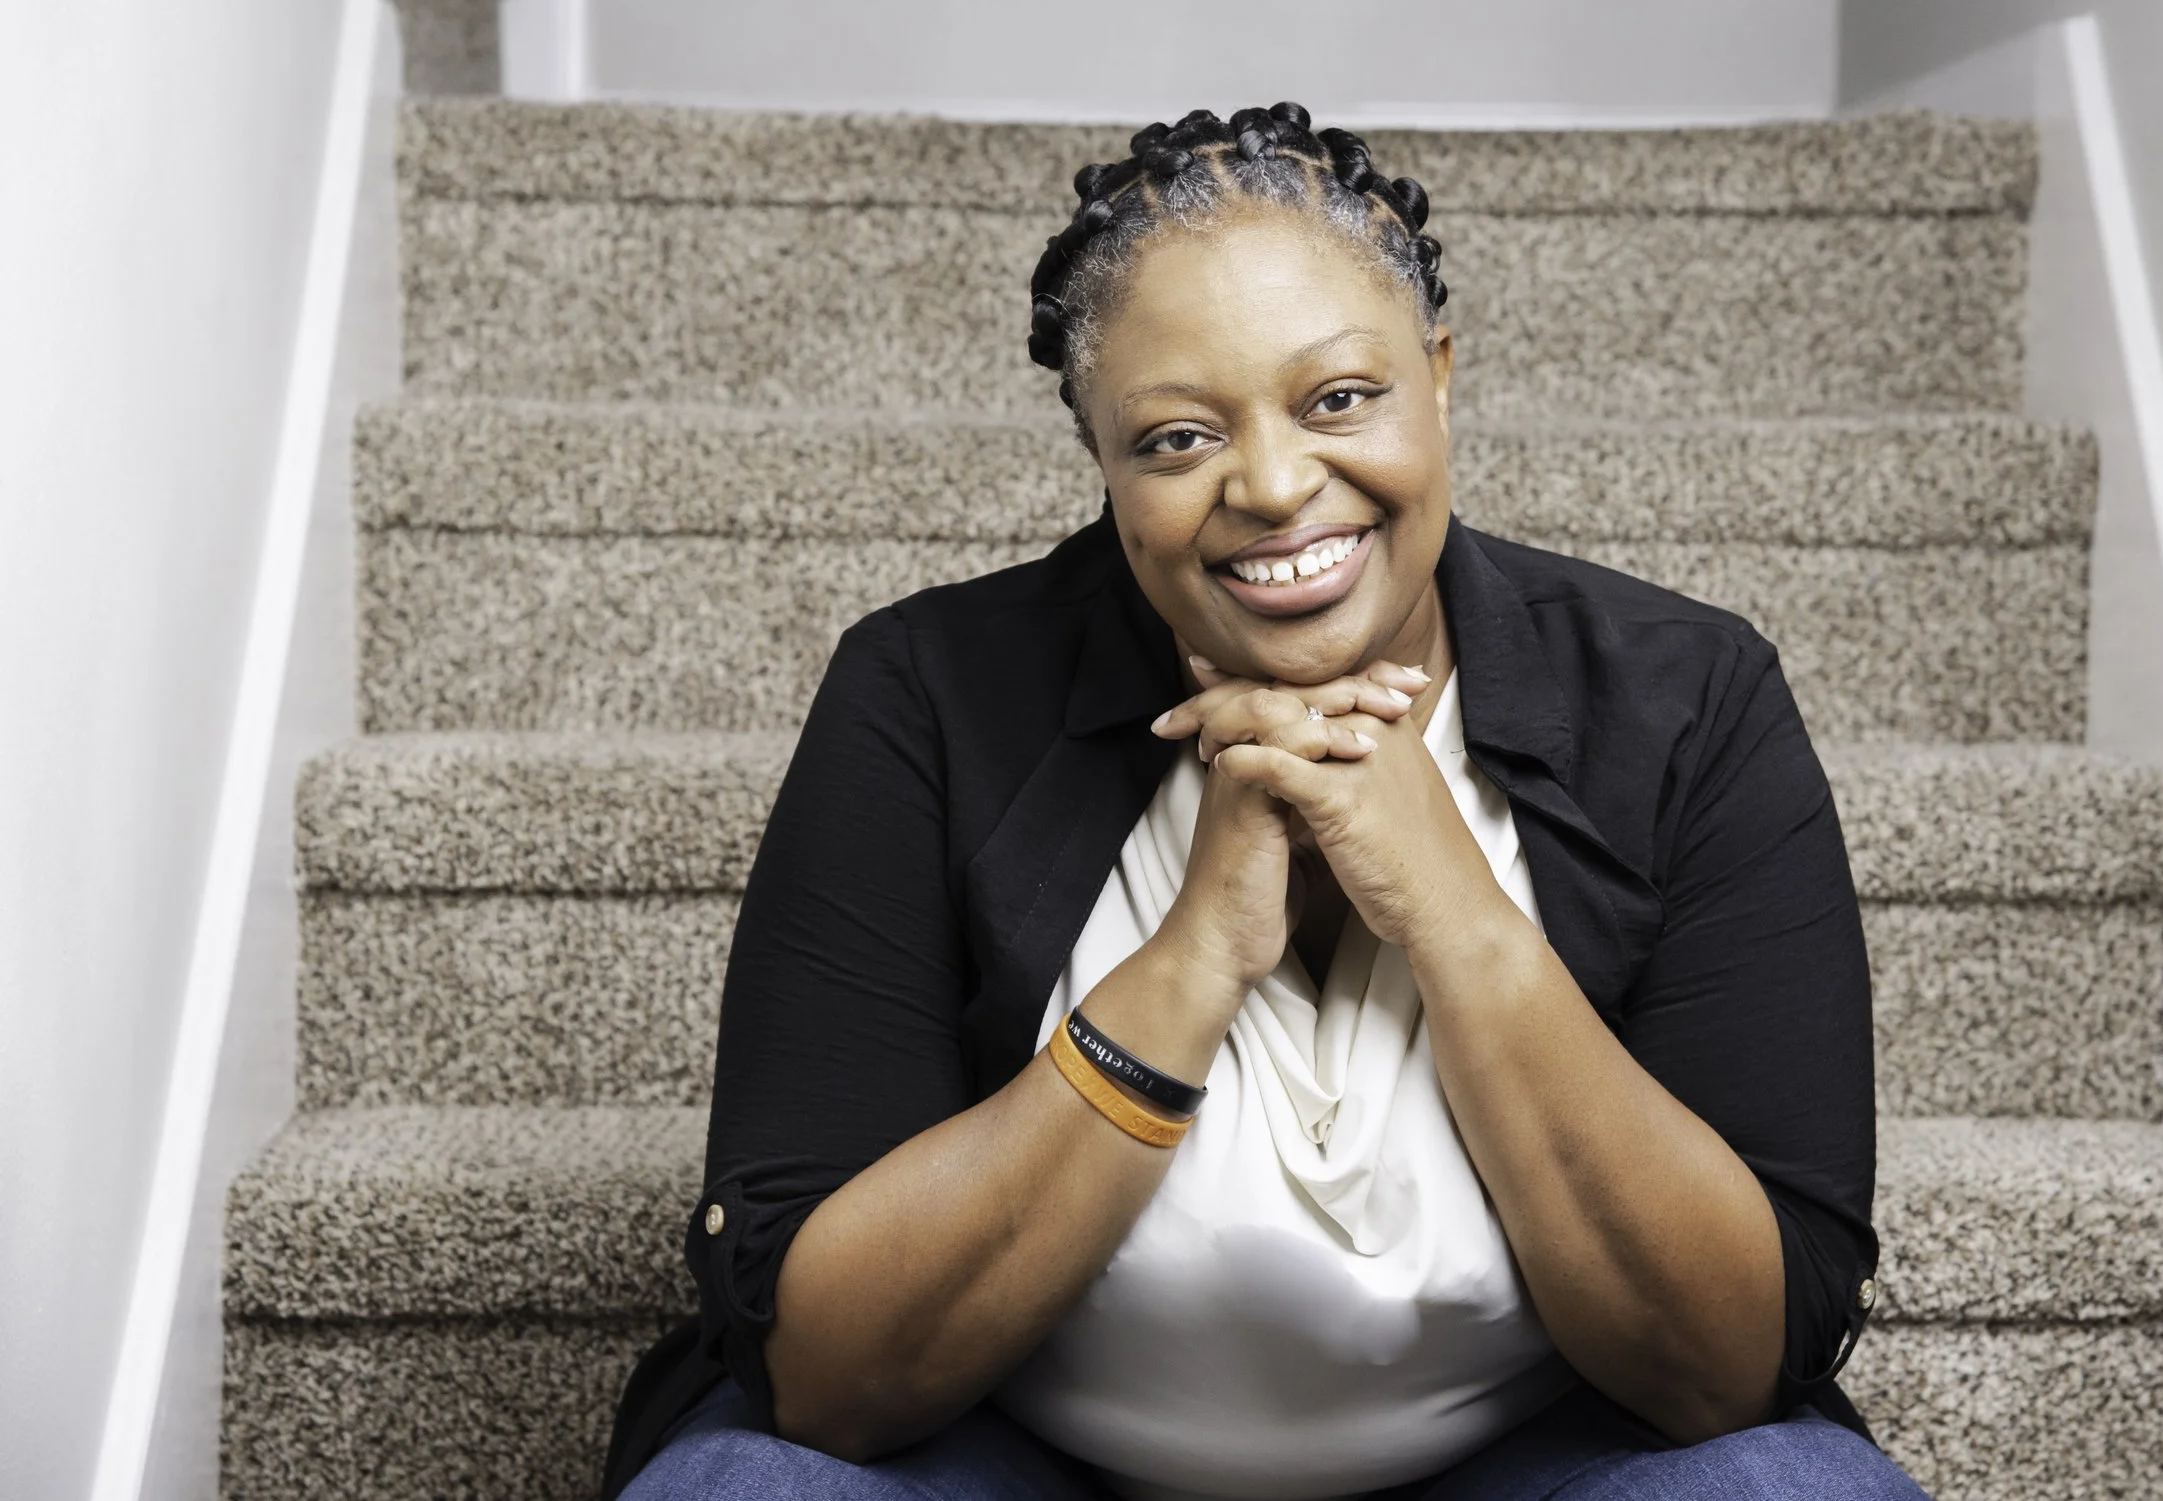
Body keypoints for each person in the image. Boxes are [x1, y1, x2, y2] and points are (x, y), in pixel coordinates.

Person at [605, 103, 1923, 1500]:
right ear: (1103, 462)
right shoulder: (928, 694)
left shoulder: (1683, 697)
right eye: (1176, 439)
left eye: (1340, 398)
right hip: (1022, 1463)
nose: (1278, 486)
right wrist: (1196, 957)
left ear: (1441, 377)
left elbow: (1731, 1364)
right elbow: (829, 1376)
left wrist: (1454, 911)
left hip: (1529, 1466)